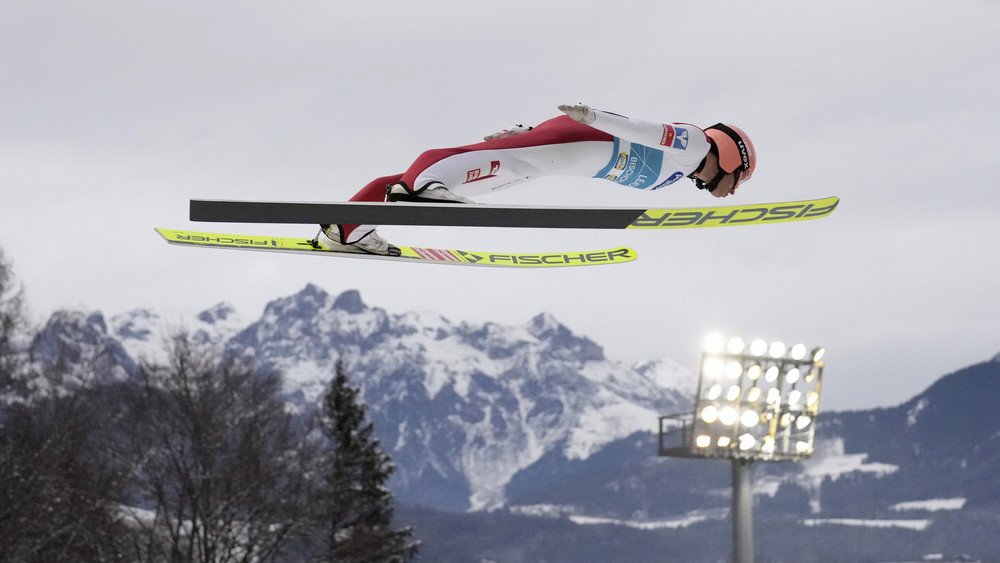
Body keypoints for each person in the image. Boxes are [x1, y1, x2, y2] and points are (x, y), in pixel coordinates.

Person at [314, 104, 756, 255]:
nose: (734, 188)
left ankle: (346, 228)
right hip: (584, 137)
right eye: (740, 178)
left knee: (489, 170)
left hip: (567, 154)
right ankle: (425, 189)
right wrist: (595, 115)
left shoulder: (682, 168)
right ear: (732, 155)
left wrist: (531, 134)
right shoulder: (695, 144)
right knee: (486, 161)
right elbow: (644, 130)